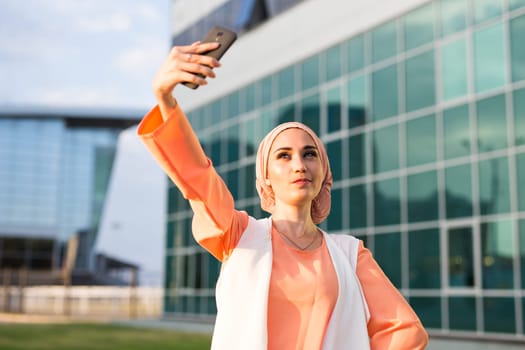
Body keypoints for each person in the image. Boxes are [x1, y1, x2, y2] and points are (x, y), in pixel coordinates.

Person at [137, 41, 429, 349]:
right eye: (284, 156)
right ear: (266, 179)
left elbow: (406, 331)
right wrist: (165, 99)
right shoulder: (237, 235)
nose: (299, 165)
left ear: (324, 171)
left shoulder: (350, 254)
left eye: (309, 154)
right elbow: (197, 178)